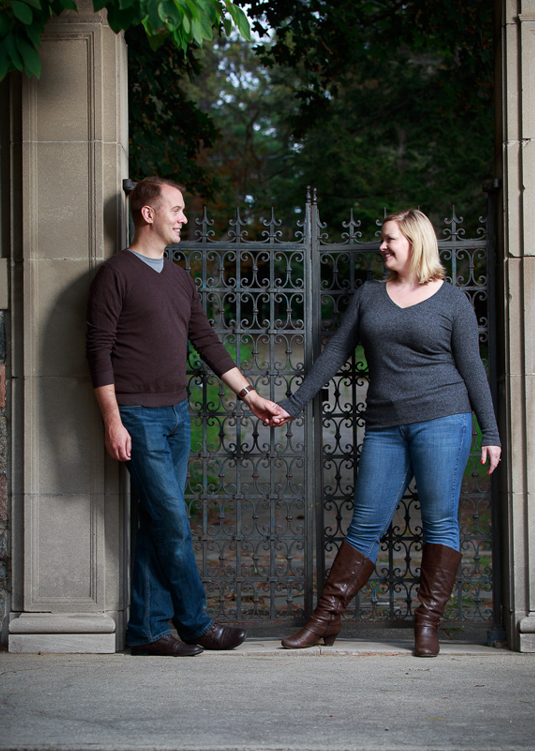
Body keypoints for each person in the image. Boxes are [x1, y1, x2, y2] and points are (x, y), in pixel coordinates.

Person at [273, 209, 502, 657]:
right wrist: (292, 405)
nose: (382, 246)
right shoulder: (369, 296)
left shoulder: (452, 300)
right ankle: (325, 617)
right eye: (382, 239)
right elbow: (334, 352)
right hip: (384, 426)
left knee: (440, 522)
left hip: (443, 419)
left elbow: (473, 369)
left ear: (415, 242)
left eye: (390, 239)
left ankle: (427, 624)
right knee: (365, 524)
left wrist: (490, 431)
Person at [86, 176, 280, 657]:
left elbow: (206, 339)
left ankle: (148, 631)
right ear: (148, 213)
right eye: (176, 209)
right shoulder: (116, 274)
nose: (184, 218)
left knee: (158, 521)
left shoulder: (178, 276)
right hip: (137, 416)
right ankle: (195, 623)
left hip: (176, 415)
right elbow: (98, 350)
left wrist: (249, 394)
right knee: (173, 521)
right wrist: (113, 419)